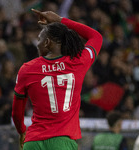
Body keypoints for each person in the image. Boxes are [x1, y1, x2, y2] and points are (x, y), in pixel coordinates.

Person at [12, 9, 103, 150]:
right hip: (63, 142)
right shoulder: (78, 62)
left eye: (39, 40)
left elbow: (17, 113)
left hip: (33, 142)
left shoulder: (27, 69)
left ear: (47, 42)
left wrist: (22, 131)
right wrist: (60, 20)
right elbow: (96, 36)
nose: (37, 44)